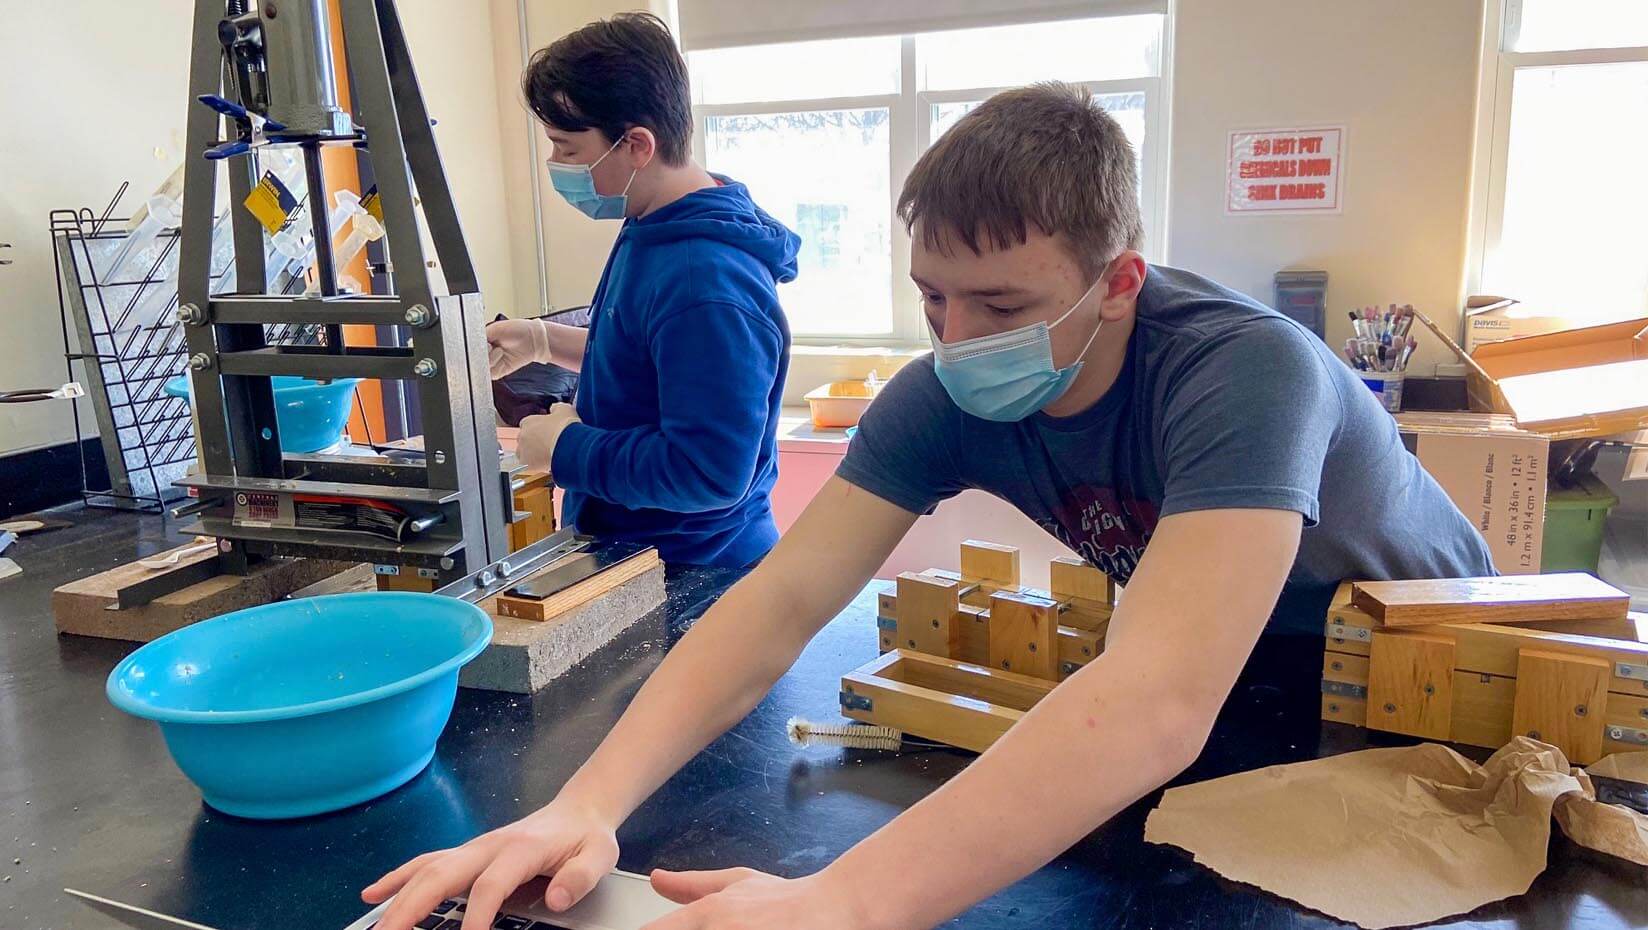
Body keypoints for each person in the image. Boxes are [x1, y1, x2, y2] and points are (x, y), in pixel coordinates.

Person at [366, 82, 1493, 930]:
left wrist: (843, 903)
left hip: (1445, 665)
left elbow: (1156, 699)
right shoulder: (942, 394)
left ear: (1118, 283)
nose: (958, 338)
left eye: (1001, 302)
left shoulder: (1245, 374)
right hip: (1240, 677)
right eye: (932, 297)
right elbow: (780, 602)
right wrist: (584, 803)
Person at [486, 12, 799, 569]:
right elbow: (655, 363)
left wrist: (567, 450)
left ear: (636, 145)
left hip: (695, 575)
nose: (556, 166)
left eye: (568, 148)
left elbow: (709, 472)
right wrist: (541, 341)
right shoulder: (653, 223)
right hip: (643, 557)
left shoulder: (705, 279)